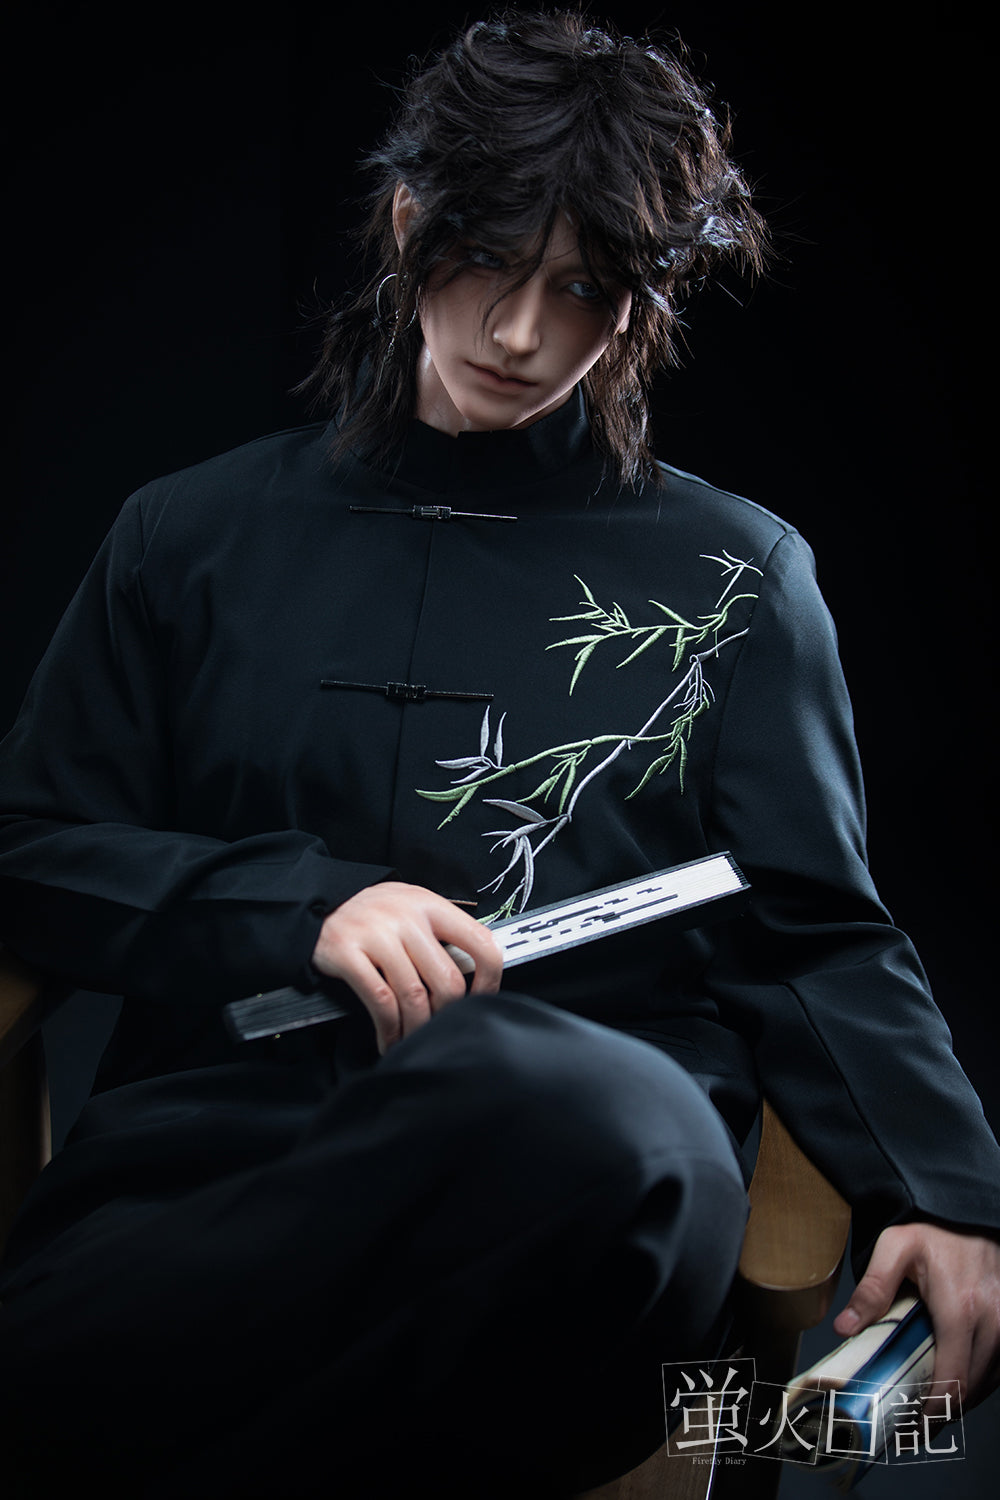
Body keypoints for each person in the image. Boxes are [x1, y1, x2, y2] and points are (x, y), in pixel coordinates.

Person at [1, 8, 998, 1496]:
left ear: (643, 304)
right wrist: (303, 906)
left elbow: (814, 927)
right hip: (232, 1162)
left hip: (583, 1197)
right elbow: (32, 851)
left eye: (584, 289)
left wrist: (945, 1188)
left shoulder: (735, 579)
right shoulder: (187, 538)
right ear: (411, 224)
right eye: (486, 260)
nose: (521, 336)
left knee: (608, 1121)